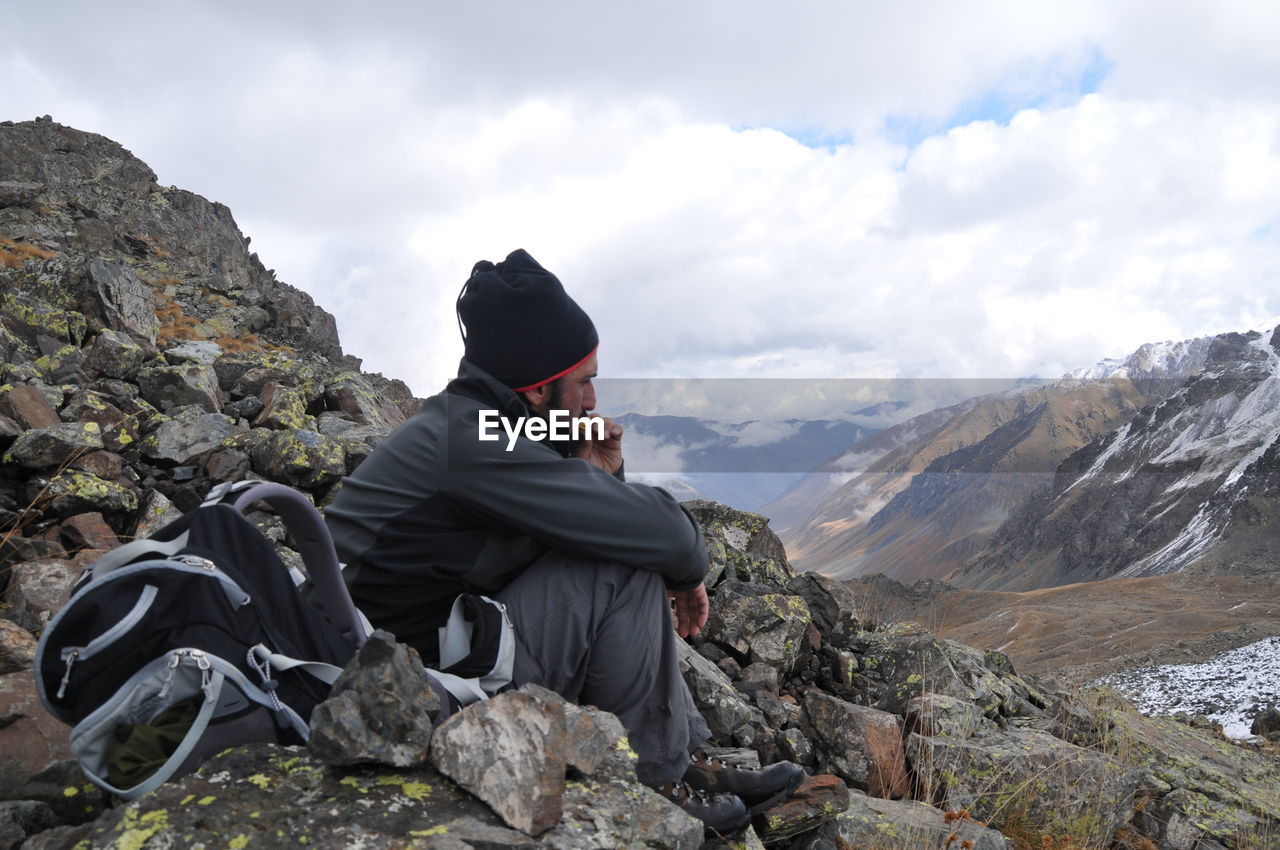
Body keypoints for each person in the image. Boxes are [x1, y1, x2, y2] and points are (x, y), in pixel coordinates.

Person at [324, 249, 802, 833]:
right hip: (406, 680)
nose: (592, 401)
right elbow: (665, 535)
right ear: (535, 386)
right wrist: (685, 569)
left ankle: (688, 758)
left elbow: (611, 521)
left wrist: (602, 473)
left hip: (414, 644)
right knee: (624, 567)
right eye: (583, 381)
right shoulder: (471, 441)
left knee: (621, 550)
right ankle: (654, 784)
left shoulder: (476, 421)